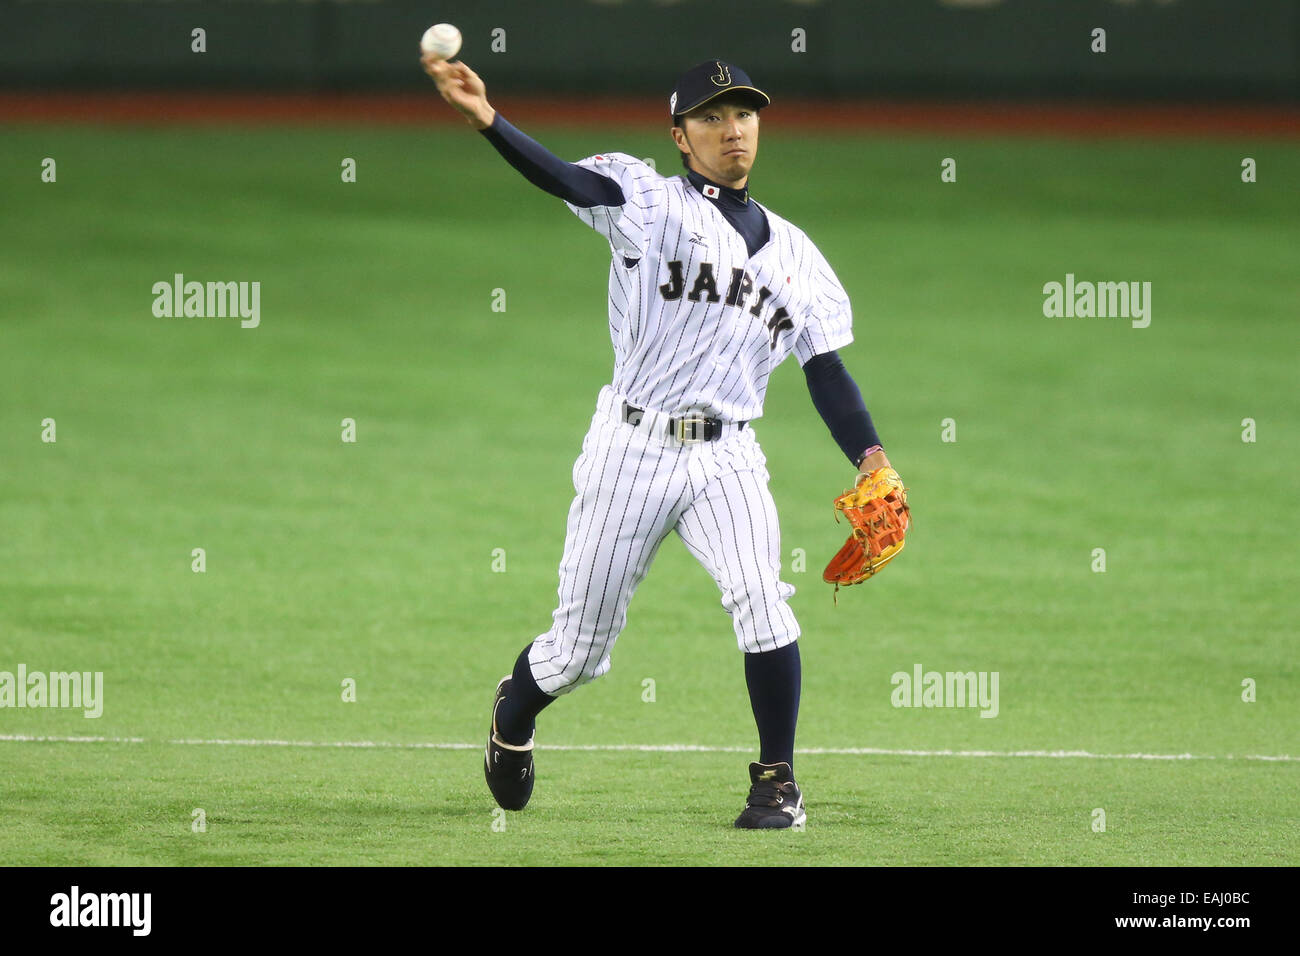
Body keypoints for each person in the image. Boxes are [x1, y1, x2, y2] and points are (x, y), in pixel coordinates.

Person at [422, 54, 898, 829]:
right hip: (631, 446)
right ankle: (515, 713)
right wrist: (488, 121)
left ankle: (776, 780)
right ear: (680, 136)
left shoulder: (800, 257)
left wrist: (872, 457)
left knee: (764, 603)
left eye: (743, 114)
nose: (732, 130)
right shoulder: (646, 199)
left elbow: (826, 368)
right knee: (578, 650)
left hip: (729, 455)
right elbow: (570, 182)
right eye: (711, 118)